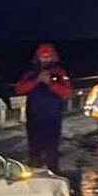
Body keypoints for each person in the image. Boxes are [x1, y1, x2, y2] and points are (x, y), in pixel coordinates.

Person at [15, 43, 73, 173]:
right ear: (38, 57)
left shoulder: (59, 72)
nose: (46, 59)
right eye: (43, 56)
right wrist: (36, 81)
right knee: (34, 150)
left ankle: (54, 175)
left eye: (48, 57)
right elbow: (19, 89)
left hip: (53, 118)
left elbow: (67, 92)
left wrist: (51, 83)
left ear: (53, 57)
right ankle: (35, 176)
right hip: (34, 117)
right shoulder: (30, 73)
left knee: (51, 151)